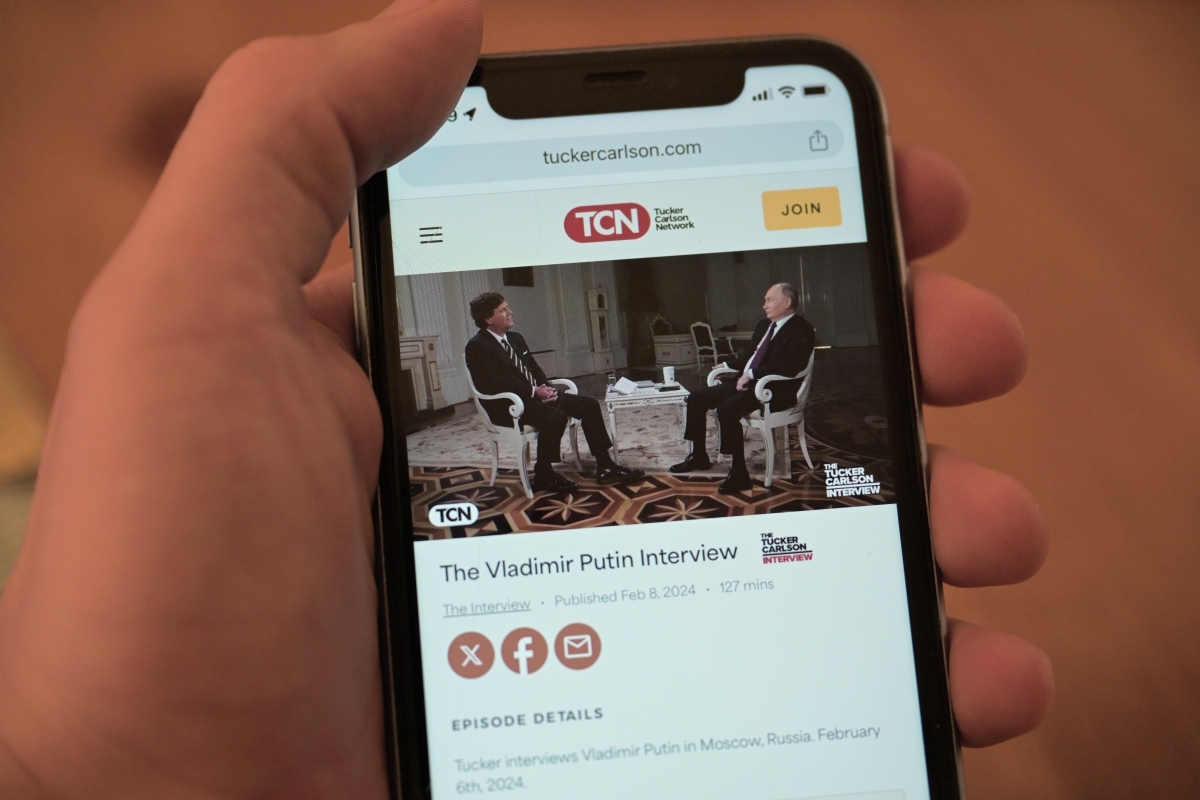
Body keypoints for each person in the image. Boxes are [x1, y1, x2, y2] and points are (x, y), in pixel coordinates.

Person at [0, 1, 1053, 796]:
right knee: (594, 403)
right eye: (506, 311)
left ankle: (617, 456)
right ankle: (603, 457)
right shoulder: (480, 342)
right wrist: (546, 383)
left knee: (597, 402)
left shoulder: (784, 326)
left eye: (775, 293)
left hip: (667, 396)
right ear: (494, 312)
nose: (508, 316)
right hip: (523, 415)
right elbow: (492, 384)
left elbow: (573, 369)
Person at [465, 292, 643, 492]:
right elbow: (495, 384)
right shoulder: (477, 346)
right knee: (555, 417)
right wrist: (534, 391)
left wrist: (545, 388)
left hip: (533, 397)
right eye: (503, 310)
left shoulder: (515, 338)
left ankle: (605, 465)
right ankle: (544, 474)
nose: (510, 312)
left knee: (589, 405)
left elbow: (534, 368)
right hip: (508, 406)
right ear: (489, 319)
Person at [671, 283, 815, 494]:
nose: (764, 305)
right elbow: (751, 356)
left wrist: (753, 374)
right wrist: (727, 364)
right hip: (748, 384)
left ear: (787, 302)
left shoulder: (802, 329)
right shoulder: (764, 325)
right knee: (696, 397)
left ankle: (739, 473)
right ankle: (699, 455)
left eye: (769, 300)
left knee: (727, 409)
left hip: (774, 390)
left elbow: (791, 367)